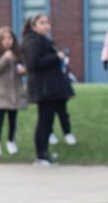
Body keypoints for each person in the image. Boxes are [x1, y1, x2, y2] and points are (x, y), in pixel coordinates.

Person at [22, 14, 75, 167]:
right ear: (33, 26)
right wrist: (56, 57)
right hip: (43, 89)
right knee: (44, 122)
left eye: (47, 22)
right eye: (42, 23)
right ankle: (41, 156)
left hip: (50, 89)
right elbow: (33, 64)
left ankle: (44, 155)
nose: (46, 25)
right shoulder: (32, 41)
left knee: (47, 121)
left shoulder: (43, 40)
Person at [0, 26, 26, 157]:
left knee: (13, 119)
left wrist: (23, 70)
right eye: (4, 38)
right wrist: (5, 58)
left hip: (15, 92)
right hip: (0, 93)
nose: (7, 41)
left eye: (10, 38)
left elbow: (24, 67)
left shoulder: (17, 53)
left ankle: (11, 141)